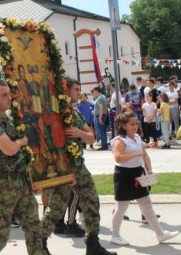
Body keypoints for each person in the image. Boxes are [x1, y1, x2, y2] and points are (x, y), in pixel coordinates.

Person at [41, 79, 116, 255]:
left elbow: (91, 138)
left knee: (91, 201)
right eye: (76, 89)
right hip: (60, 169)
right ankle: (40, 244)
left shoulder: (74, 112)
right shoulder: (52, 114)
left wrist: (79, 133)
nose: (79, 93)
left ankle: (93, 244)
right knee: (56, 209)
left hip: (78, 167)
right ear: (65, 90)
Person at [0, 81, 42, 254]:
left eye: (9, 93)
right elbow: (9, 149)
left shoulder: (9, 118)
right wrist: (22, 141)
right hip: (1, 185)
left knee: (34, 227)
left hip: (21, 182)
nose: (9, 97)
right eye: (4, 95)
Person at [110, 110, 179, 245]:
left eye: (136, 123)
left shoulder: (136, 137)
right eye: (132, 124)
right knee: (121, 207)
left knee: (146, 203)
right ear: (124, 125)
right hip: (123, 175)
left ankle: (160, 234)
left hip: (137, 173)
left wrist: (149, 170)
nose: (135, 126)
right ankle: (115, 235)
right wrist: (136, 154)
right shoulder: (120, 140)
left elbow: (144, 155)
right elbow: (118, 157)